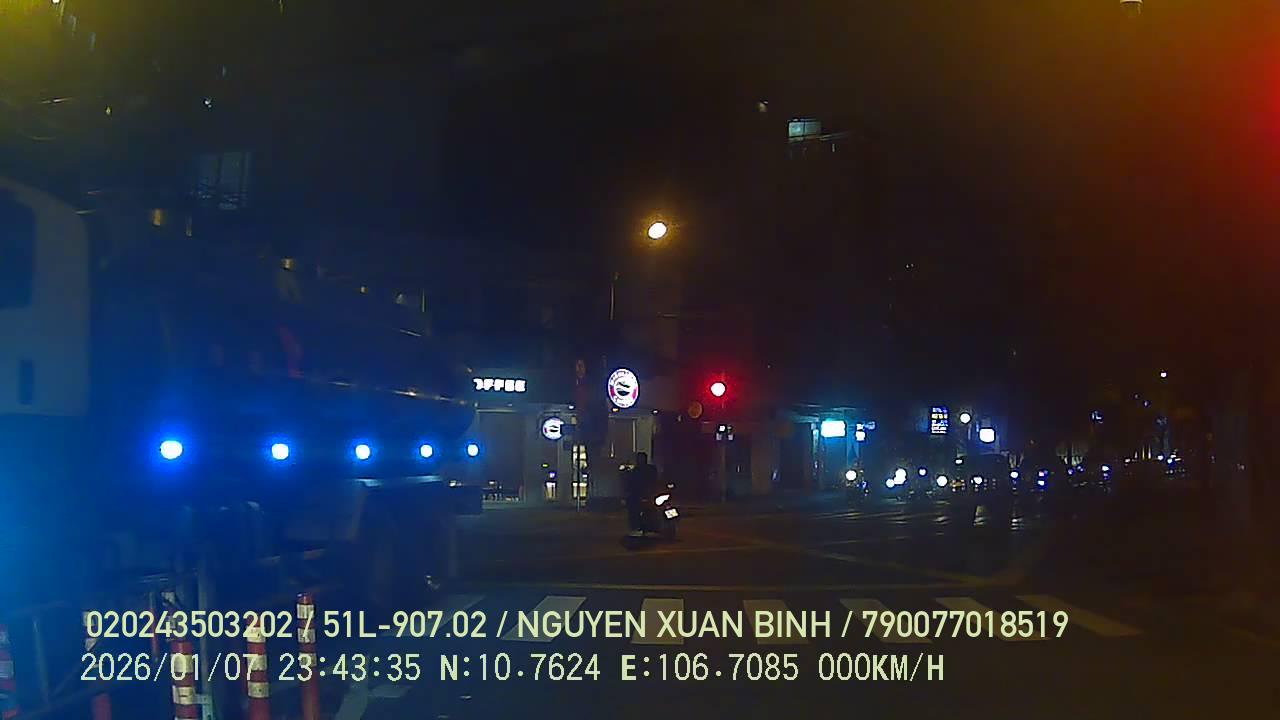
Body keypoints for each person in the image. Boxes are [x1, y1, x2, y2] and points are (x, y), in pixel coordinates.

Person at [625, 452, 658, 536]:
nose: (641, 460)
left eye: (642, 458)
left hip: (651, 493)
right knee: (633, 507)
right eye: (639, 459)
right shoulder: (635, 470)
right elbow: (630, 483)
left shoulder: (651, 469)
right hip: (638, 494)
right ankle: (636, 526)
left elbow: (656, 480)